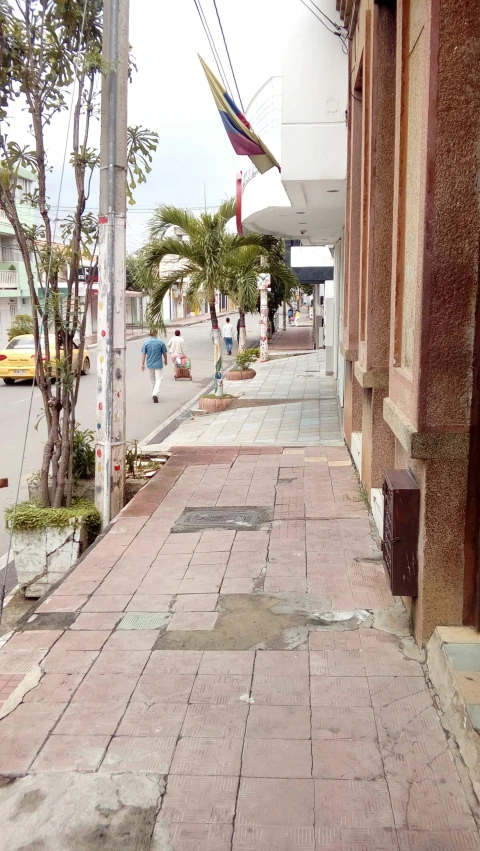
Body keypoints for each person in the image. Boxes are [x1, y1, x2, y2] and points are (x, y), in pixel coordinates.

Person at [141, 329, 168, 403]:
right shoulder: (161, 342)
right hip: (158, 364)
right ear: (156, 334)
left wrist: (142, 364)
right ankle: (155, 394)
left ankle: (154, 394)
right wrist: (166, 360)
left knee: (152, 380)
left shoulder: (146, 343)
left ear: (150, 334)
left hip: (149, 364)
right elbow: (164, 353)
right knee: (159, 379)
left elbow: (144, 354)